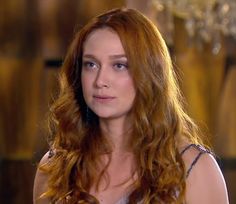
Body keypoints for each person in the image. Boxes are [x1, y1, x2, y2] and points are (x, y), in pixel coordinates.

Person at [33, 8, 229, 204]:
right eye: (91, 64)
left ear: (149, 73)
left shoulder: (195, 169)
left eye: (119, 65)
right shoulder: (54, 168)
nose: (100, 81)